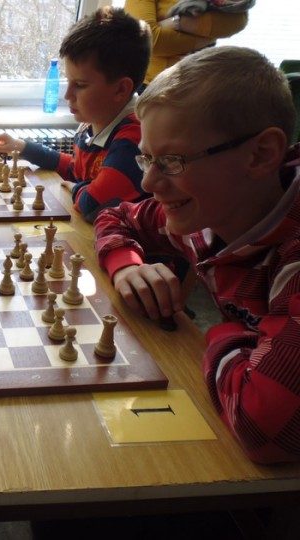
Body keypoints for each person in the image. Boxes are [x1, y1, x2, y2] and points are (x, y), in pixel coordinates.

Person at [94, 46, 300, 464]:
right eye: (147, 159)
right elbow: (116, 216)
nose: (149, 183)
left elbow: (263, 429)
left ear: (261, 154)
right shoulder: (208, 215)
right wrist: (126, 265)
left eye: (172, 161)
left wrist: (219, 332)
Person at [0, 7, 152, 223]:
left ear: (121, 90)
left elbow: (93, 205)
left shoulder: (134, 139)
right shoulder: (93, 123)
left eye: (80, 85)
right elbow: (75, 169)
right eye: (68, 82)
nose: (67, 95)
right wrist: (23, 147)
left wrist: (77, 188)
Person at [124, 0, 249, 90]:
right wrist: (202, 40)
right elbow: (147, 40)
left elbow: (237, 20)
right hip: (152, 84)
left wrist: (174, 23)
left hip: (197, 82)